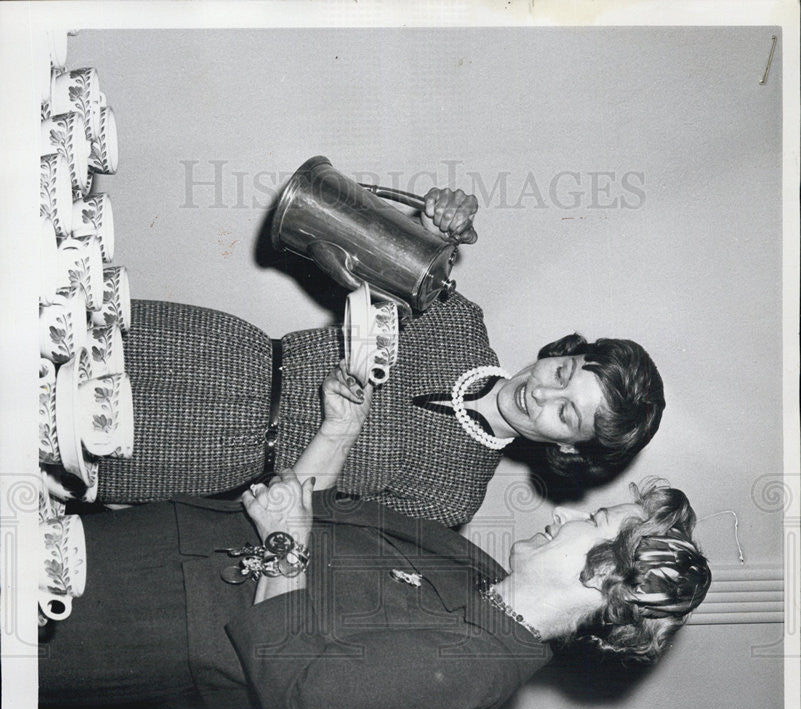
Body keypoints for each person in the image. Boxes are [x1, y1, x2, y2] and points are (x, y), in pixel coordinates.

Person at [42, 366, 709, 709]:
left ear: (602, 582)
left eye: (592, 520)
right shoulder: (472, 570)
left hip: (144, 627)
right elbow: (304, 513)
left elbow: (301, 690)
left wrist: (282, 543)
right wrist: (338, 431)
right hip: (163, 545)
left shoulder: (478, 674)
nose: (567, 518)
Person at [96, 188, 666, 526]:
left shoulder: (454, 497)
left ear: (568, 446)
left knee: (54, 441)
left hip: (215, 455)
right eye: (563, 373)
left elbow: (317, 528)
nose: (542, 393)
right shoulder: (459, 323)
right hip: (227, 352)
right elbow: (379, 255)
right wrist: (435, 225)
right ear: (560, 354)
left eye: (566, 414)